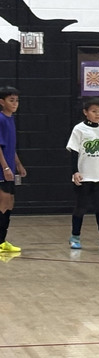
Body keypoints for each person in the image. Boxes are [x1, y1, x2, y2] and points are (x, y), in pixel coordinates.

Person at [66, 98, 99, 250]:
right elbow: (74, 152)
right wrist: (75, 172)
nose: (97, 114)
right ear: (85, 112)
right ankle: (75, 237)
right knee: (81, 207)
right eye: (94, 111)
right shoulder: (79, 129)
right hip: (84, 175)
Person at [0, 86, 25, 253]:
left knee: (9, 204)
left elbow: (10, 146)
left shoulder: (11, 119)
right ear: (2, 102)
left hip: (9, 169)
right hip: (1, 170)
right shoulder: (0, 119)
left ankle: (3, 240)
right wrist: (6, 167)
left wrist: (18, 164)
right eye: (11, 100)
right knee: (2, 204)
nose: (15, 103)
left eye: (16, 100)